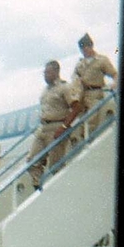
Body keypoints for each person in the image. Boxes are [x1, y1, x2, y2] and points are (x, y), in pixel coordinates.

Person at [26, 61, 82, 189]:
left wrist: (64, 127)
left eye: (48, 72)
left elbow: (76, 107)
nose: (45, 75)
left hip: (56, 128)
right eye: (44, 73)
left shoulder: (64, 88)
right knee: (32, 161)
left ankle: (62, 190)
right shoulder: (45, 90)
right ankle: (38, 189)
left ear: (56, 72)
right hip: (43, 128)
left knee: (55, 164)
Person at [72, 33, 118, 132]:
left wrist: (115, 83)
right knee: (80, 122)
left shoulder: (102, 60)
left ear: (91, 46)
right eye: (82, 49)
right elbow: (74, 77)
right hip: (82, 94)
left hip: (95, 93)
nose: (84, 51)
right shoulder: (80, 63)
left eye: (85, 48)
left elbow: (114, 74)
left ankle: (91, 141)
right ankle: (84, 141)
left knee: (91, 120)